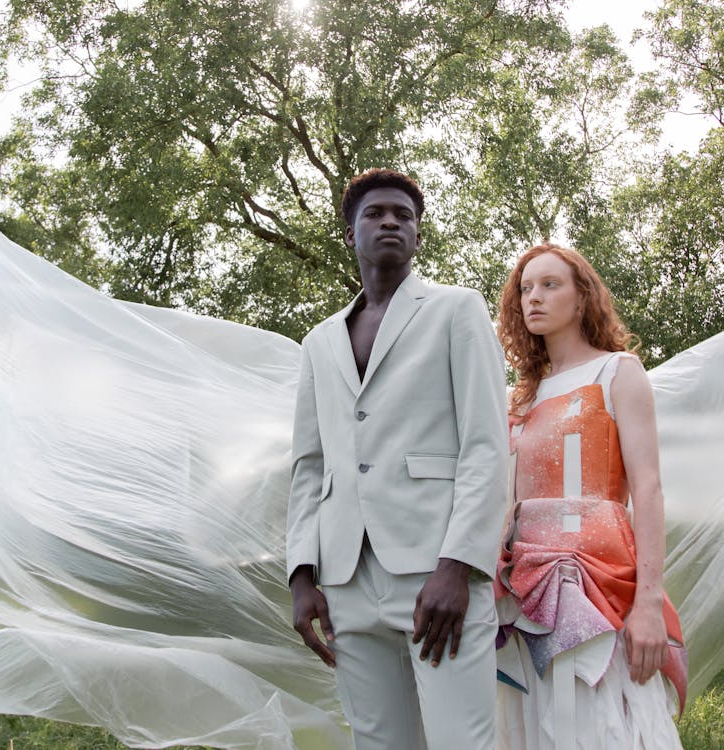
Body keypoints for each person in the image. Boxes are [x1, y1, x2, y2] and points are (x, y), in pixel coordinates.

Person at [286, 168, 509, 750]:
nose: (390, 221)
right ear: (350, 232)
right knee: (378, 742)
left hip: (435, 576)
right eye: (375, 214)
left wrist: (458, 566)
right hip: (345, 582)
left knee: (462, 741)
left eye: (403, 215)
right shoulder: (320, 341)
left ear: (417, 235)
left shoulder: (457, 310)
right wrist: (301, 575)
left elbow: (487, 444)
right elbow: (310, 465)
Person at [493, 243, 688, 749]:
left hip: (598, 583)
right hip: (524, 586)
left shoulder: (618, 371)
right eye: (525, 288)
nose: (533, 297)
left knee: (594, 725)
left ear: (583, 299)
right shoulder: (520, 397)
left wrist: (647, 604)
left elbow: (647, 488)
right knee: (533, 724)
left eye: (550, 285)